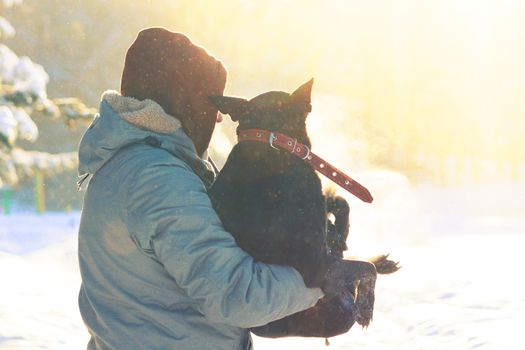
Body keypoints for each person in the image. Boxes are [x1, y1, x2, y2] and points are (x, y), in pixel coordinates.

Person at [77, 27, 374, 350]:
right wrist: (318, 281)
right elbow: (236, 295)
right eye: (211, 106)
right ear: (185, 101)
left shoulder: (131, 164)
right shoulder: (158, 180)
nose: (219, 119)